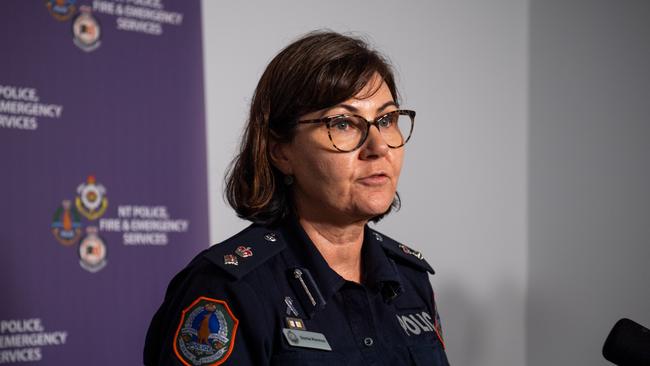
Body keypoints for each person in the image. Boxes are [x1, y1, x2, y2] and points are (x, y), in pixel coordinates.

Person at [144, 30, 450, 366]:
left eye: (387, 119)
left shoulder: (410, 279)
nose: (378, 148)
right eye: (344, 123)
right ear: (280, 151)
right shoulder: (226, 290)